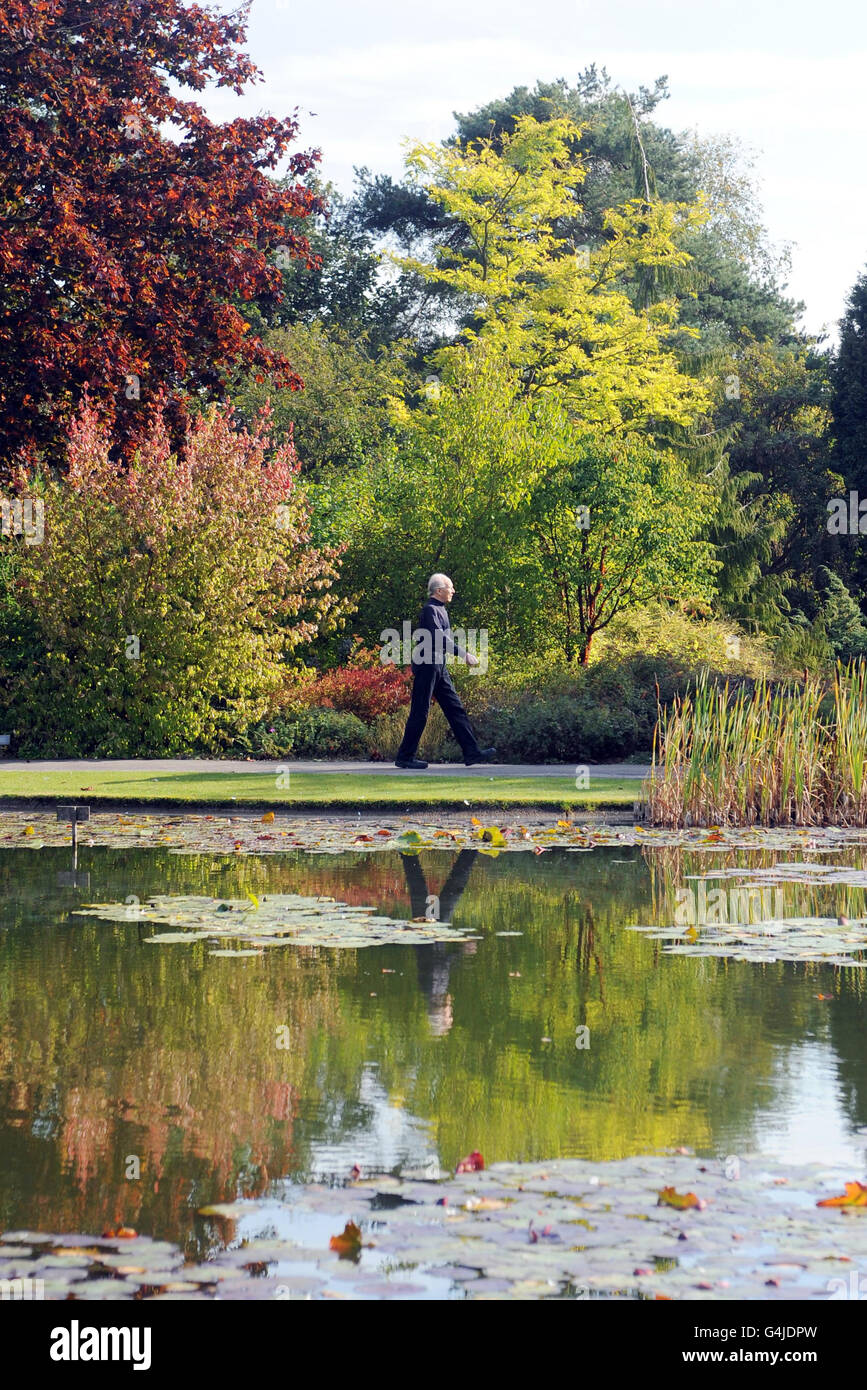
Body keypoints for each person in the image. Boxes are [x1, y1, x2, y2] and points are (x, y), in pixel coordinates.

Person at [395, 573, 496, 770]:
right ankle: (405, 757)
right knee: (420, 711)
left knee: (455, 708)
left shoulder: (440, 610)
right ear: (439, 590)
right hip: (427, 665)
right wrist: (463, 654)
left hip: (438, 665)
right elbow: (439, 638)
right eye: (450, 587)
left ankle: (471, 752)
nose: (453, 591)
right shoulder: (430, 610)